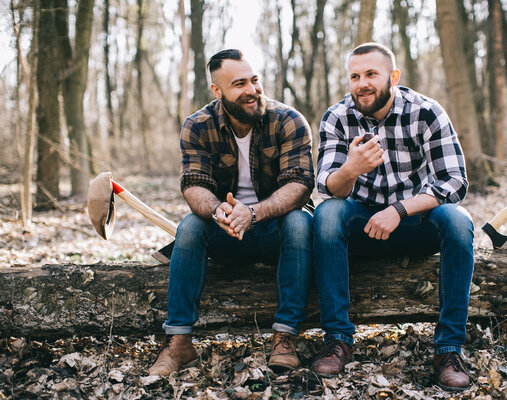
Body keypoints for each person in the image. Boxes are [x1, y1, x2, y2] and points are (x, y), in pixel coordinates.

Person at [311, 42, 474, 391]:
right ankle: (338, 339)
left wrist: (399, 209)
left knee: (458, 221)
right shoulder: (337, 117)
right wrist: (351, 169)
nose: (362, 83)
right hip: (361, 225)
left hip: (415, 221)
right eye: (355, 76)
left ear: (393, 77)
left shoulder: (426, 112)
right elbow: (328, 187)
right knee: (326, 216)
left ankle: (448, 348)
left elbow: (455, 181)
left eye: (371, 74)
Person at [149, 49, 315, 376]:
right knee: (189, 228)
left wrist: (253, 213)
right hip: (225, 231)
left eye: (254, 80)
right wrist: (217, 212)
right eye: (239, 84)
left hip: (274, 229)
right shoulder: (198, 126)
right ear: (217, 90)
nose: (252, 90)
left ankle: (285, 338)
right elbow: (193, 185)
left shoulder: (289, 120)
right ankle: (179, 344)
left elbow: (300, 185)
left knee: (299, 222)